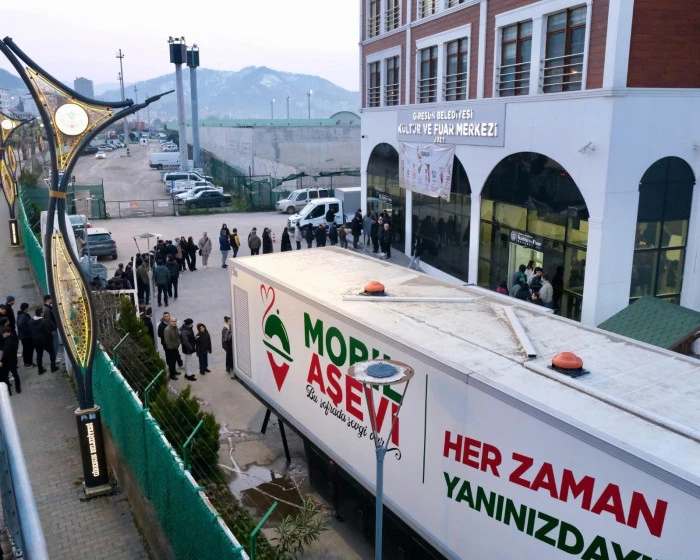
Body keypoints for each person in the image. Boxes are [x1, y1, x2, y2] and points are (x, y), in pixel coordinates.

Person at [31, 308, 57, 374]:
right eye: (43, 312)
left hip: (36, 341)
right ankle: (53, 367)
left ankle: (40, 370)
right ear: (41, 313)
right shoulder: (45, 321)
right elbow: (49, 330)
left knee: (39, 355)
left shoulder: (31, 321)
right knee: (52, 353)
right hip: (46, 341)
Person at [0, 327, 20, 394]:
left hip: (7, 361)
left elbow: (5, 353)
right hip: (13, 359)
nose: (2, 335)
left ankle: (8, 391)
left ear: (7, 333)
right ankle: (18, 388)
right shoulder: (13, 337)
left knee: (5, 376)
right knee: (15, 373)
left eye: (3, 333)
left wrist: (1, 361)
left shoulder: (8, 341)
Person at [163, 316, 181, 381]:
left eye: (175, 321)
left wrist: (178, 343)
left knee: (175, 360)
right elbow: (167, 341)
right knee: (171, 362)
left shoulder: (176, 327)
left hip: (175, 347)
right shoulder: (167, 329)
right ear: (170, 322)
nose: (174, 322)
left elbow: (178, 336)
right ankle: (172, 375)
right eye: (172, 321)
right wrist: (172, 347)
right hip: (170, 349)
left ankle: (174, 371)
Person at [16, 303, 34, 367]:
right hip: (26, 336)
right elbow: (20, 324)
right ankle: (28, 363)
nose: (28, 309)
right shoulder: (23, 316)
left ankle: (28, 362)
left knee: (27, 349)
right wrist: (28, 331)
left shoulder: (21, 315)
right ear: (25, 308)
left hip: (24, 336)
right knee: (28, 349)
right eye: (27, 308)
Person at [43, 295, 60, 362]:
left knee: (55, 344)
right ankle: (53, 359)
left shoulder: (48, 308)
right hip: (52, 329)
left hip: (52, 329)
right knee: (55, 344)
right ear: (48, 300)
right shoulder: (47, 309)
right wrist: (55, 326)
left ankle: (54, 357)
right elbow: (49, 320)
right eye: (51, 299)